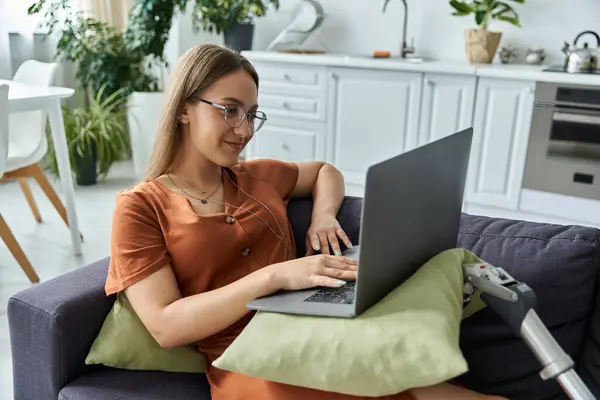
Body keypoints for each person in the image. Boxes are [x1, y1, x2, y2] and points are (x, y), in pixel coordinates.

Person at [107, 43, 507, 400]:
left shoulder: (255, 176)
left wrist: (324, 216)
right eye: (230, 110)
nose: (244, 130)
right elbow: (165, 325)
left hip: (318, 327)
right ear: (183, 110)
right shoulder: (141, 207)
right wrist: (275, 276)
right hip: (250, 361)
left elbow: (323, 171)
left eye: (252, 114)